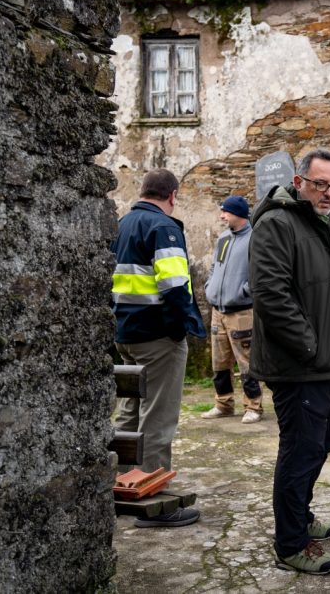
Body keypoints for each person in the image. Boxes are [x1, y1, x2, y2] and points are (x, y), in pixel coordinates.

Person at [250, 148, 330, 575]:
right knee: (301, 450)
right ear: (299, 182)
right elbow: (271, 295)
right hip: (302, 364)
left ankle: (300, 515)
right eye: (321, 184)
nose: (329, 192)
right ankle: (290, 543)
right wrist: (311, 347)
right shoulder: (277, 223)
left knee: (323, 440)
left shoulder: (321, 223)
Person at [111, 168, 206, 528]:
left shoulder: (122, 224)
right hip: (157, 336)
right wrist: (183, 328)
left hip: (126, 332)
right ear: (173, 195)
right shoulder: (163, 227)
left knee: (129, 411)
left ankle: (119, 482)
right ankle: (149, 498)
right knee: (158, 417)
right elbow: (174, 286)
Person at [202, 195, 264, 424]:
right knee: (219, 363)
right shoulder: (224, 238)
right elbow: (213, 267)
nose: (222, 215)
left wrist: (243, 293)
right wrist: (210, 287)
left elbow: (259, 273)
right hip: (218, 310)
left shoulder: (255, 239)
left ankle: (254, 407)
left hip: (242, 312)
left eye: (225, 211)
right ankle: (223, 404)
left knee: (247, 362)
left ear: (238, 213)